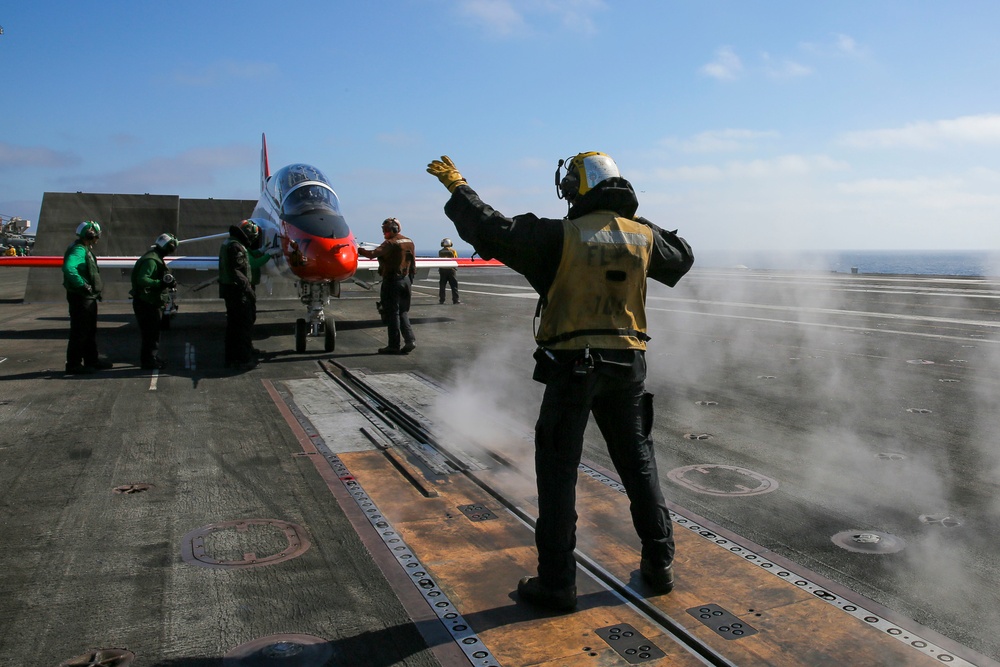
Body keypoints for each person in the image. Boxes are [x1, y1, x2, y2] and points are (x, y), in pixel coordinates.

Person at [427, 152, 694, 611]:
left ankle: (557, 583)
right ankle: (659, 564)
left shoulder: (558, 236)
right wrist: (627, 217)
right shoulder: (643, 237)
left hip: (572, 367)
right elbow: (682, 258)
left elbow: (491, 229)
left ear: (577, 190)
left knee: (557, 475)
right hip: (628, 367)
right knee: (639, 466)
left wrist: (458, 186)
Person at [358, 217, 417, 354]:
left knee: (392, 314)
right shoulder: (409, 241)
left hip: (392, 282)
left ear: (393, 229)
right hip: (406, 281)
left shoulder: (390, 243)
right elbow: (413, 263)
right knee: (403, 312)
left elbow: (372, 254)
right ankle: (410, 340)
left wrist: (358, 250)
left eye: (385, 230)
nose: (384, 233)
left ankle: (393, 346)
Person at [62, 220, 113, 374]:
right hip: (81, 297)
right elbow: (69, 268)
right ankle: (73, 365)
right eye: (96, 235)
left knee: (89, 331)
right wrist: (82, 284)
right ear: (90, 235)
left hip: (86, 297)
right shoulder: (79, 250)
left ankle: (92, 360)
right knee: (80, 332)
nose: (97, 238)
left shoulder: (82, 248)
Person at [130, 233, 177, 370]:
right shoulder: (151, 260)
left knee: (153, 334)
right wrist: (160, 283)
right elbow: (143, 279)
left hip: (149, 302)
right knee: (150, 334)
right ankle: (148, 362)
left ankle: (152, 358)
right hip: (146, 303)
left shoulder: (154, 257)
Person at [219, 219, 260, 370]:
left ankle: (234, 357)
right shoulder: (236, 246)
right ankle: (242, 359)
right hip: (238, 292)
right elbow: (238, 271)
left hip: (230, 290)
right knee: (242, 326)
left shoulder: (229, 243)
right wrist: (249, 290)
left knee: (233, 327)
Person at [437, 237, 461, 304]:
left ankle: (442, 300)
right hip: (451, 270)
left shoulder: (440, 251)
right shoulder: (453, 251)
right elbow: (456, 258)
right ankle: (456, 300)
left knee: (442, 286)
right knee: (454, 286)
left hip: (442, 270)